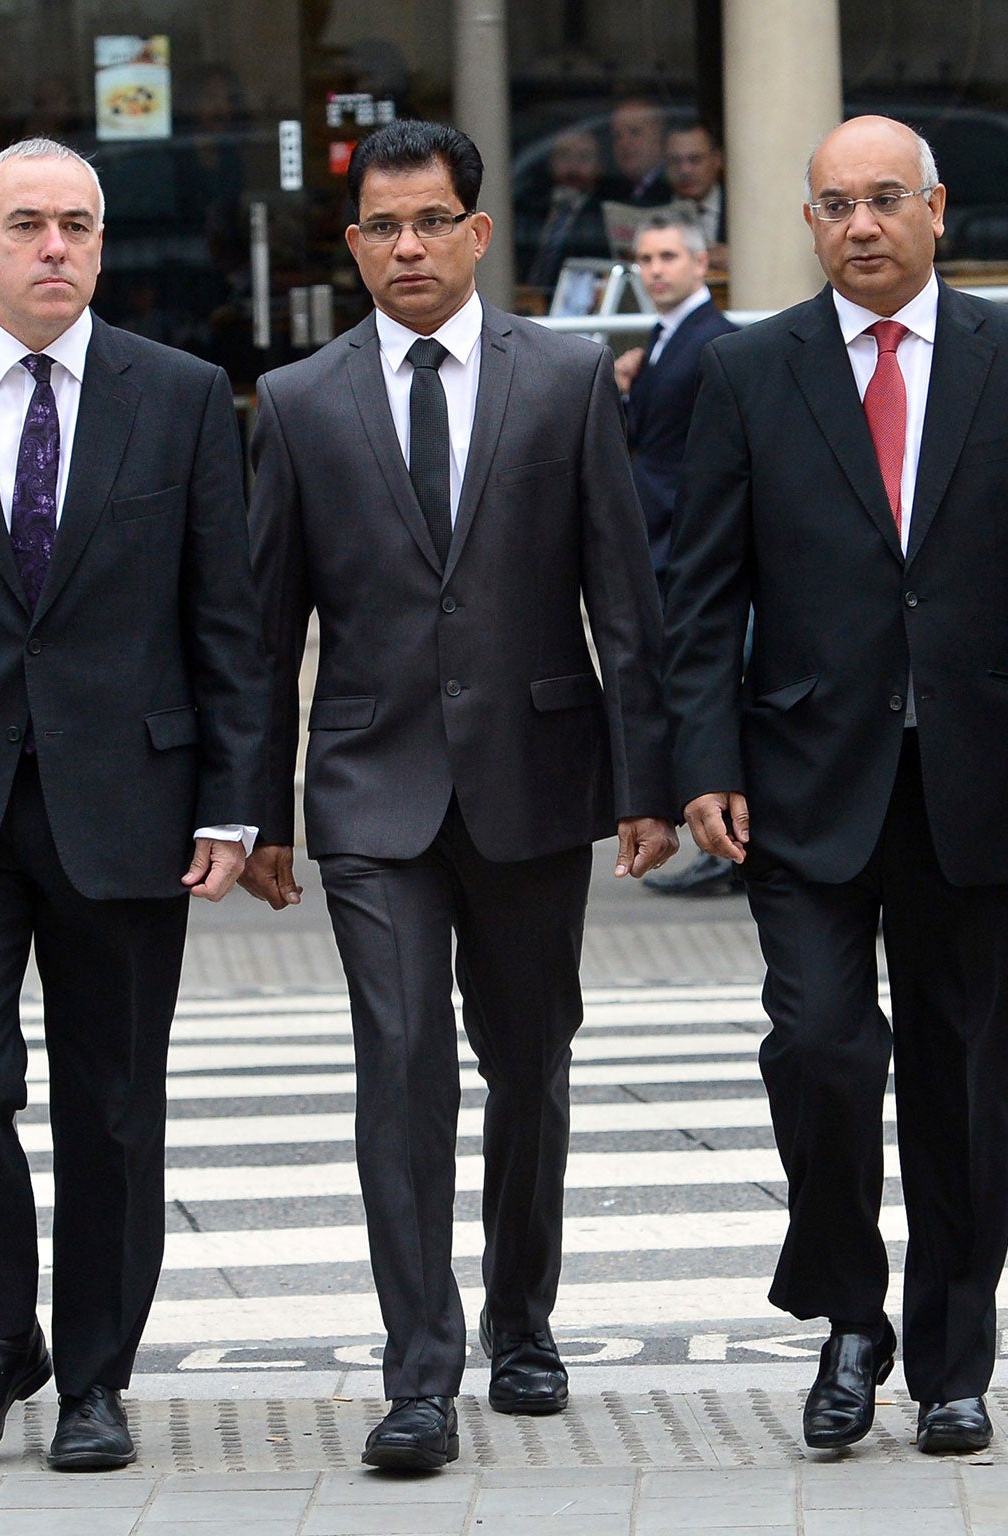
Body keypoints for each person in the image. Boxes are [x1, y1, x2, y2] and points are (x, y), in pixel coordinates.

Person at [665, 115, 1008, 1455]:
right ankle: (849, 1313)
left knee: (963, 1079)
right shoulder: (751, 372)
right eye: (832, 205)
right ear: (807, 224)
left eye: (883, 200)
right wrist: (701, 760)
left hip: (977, 780)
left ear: (937, 210)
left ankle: (952, 1357)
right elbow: (703, 593)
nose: (859, 224)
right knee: (818, 1046)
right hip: (800, 777)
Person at [243, 120, 677, 1473]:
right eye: (382, 226)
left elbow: (627, 593)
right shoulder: (303, 401)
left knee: (529, 1061)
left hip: (538, 779)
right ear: (355, 242)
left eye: (431, 222)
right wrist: (257, 815)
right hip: (371, 788)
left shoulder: (561, 379)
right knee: (401, 1063)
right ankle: (418, 1374)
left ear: (478, 234)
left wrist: (648, 782)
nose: (408, 247)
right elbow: (264, 631)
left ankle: (523, 1320)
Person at [0, 137, 266, 1471]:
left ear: (101, 245)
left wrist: (235, 804)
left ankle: (94, 1377)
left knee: (111, 1106)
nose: (55, 248)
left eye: (77, 226)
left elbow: (226, 623)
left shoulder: (184, 395)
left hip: (126, 803)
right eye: (27, 223)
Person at [616, 214, 740, 897]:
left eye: (668, 256)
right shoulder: (666, 343)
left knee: (699, 692)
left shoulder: (713, 342)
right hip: (662, 538)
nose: (655, 269)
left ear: (701, 264)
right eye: (645, 258)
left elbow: (695, 459)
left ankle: (726, 845)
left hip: (684, 542)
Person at [526, 125, 611, 296]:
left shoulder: (604, 214)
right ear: (551, 160)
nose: (573, 167)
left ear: (600, 165)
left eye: (584, 157)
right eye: (564, 156)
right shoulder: (530, 207)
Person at [664, 119, 726, 265]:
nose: (685, 170)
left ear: (717, 159)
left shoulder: (741, 208)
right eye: (676, 161)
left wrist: (737, 260)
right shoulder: (652, 204)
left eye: (695, 159)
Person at [608, 96, 670, 206]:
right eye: (617, 136)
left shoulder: (676, 185)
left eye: (634, 132)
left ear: (660, 135)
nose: (624, 143)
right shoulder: (614, 191)